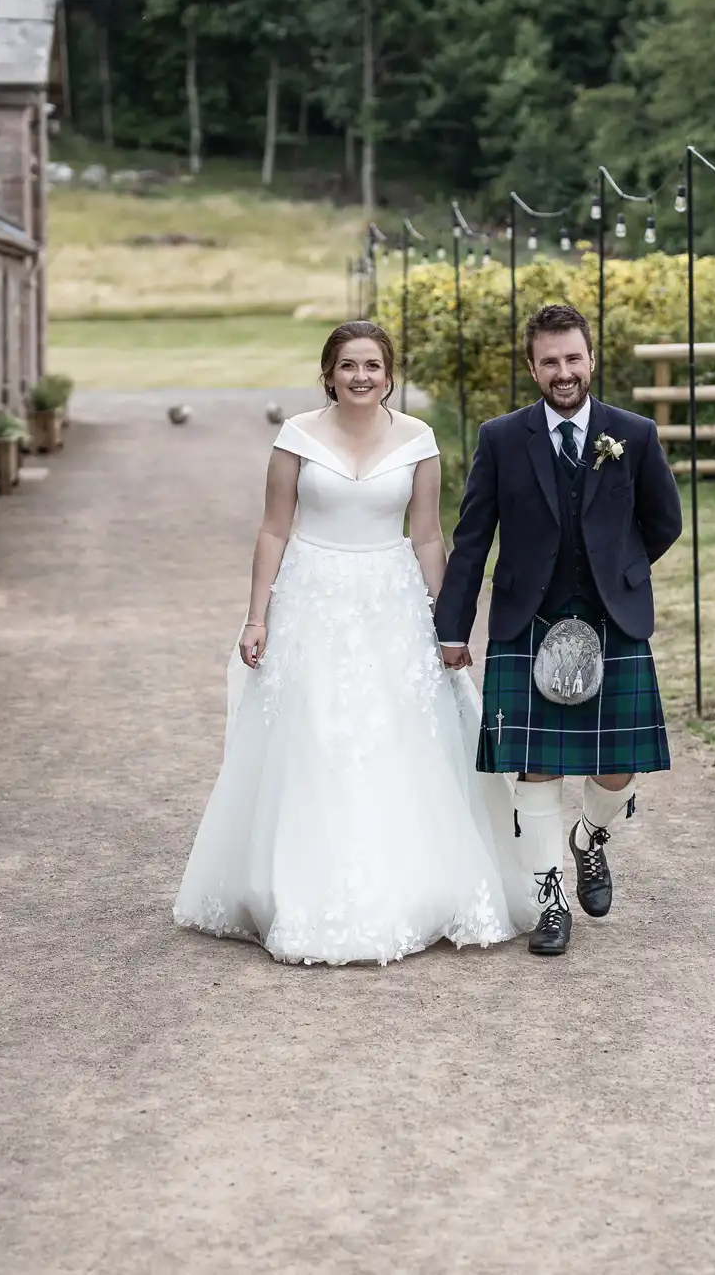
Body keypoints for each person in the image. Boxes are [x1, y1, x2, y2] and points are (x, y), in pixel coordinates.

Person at [174, 321, 532, 965]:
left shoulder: (418, 440)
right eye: (347, 366)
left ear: (389, 374)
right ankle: (299, 888)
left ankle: (415, 884)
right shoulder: (297, 437)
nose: (360, 376)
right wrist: (256, 618)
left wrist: (448, 624)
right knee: (314, 735)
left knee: (399, 735)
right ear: (328, 374)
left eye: (372, 365)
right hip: (314, 597)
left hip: (390, 599)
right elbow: (273, 531)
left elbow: (426, 536)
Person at [436, 303, 684, 956]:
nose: (563, 371)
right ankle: (551, 898)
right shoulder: (500, 438)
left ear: (591, 359)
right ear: (533, 367)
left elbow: (665, 521)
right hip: (528, 618)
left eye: (573, 358)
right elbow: (471, 540)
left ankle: (589, 841)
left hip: (611, 620)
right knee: (535, 771)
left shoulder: (632, 433)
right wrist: (451, 628)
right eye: (550, 361)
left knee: (619, 767)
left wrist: (619, 572)